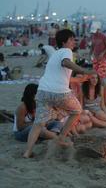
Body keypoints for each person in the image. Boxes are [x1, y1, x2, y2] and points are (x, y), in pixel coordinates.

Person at [23, 29, 95, 158]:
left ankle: (27, 152)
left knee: (38, 124)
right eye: (72, 39)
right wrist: (84, 70)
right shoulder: (66, 51)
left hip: (43, 91)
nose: (74, 41)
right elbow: (66, 63)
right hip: (59, 93)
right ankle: (62, 137)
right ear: (64, 42)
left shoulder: (54, 55)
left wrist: (79, 79)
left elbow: (60, 76)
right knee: (77, 110)